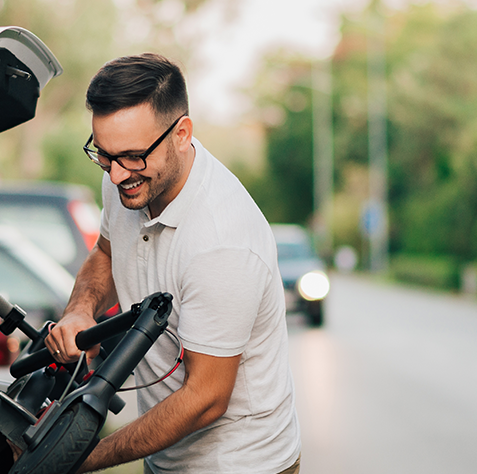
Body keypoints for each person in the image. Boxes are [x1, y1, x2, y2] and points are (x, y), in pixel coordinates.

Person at [44, 53, 301, 473]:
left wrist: (79, 460)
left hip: (240, 463)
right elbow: (106, 253)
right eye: (104, 155)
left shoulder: (222, 242)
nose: (115, 175)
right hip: (167, 457)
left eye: (130, 156)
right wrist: (79, 311)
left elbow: (206, 399)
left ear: (182, 133)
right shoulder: (128, 178)